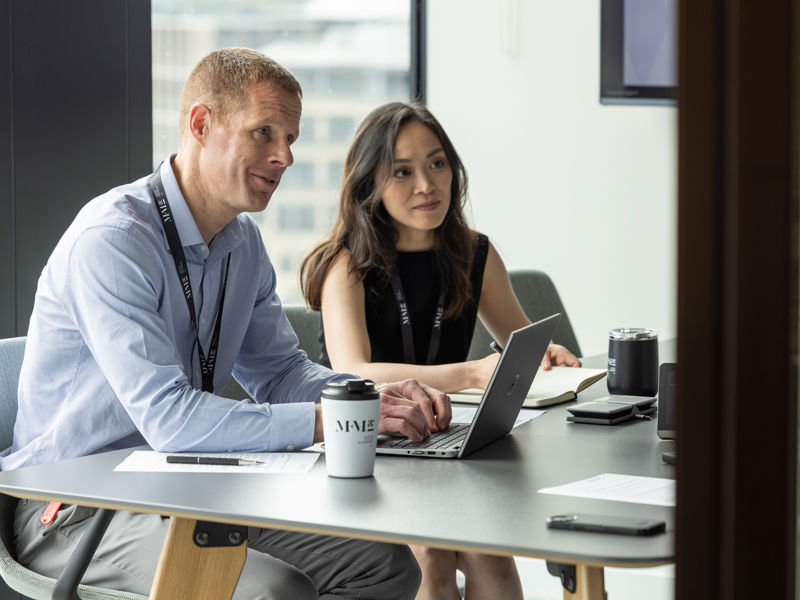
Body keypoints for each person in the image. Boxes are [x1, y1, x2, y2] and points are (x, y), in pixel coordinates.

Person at [0, 49, 452, 600]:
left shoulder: (242, 244)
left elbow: (282, 371)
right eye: (264, 132)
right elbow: (171, 420)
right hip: (75, 508)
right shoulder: (114, 241)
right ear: (200, 124)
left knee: (385, 567)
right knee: (275, 591)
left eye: (291, 138)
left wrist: (366, 399)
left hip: (186, 487)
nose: (284, 156)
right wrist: (334, 422)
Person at [301, 101, 581, 599]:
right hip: (370, 450)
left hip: (452, 443)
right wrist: (474, 373)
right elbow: (355, 370)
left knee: (487, 552)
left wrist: (548, 353)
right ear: (370, 183)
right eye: (402, 172)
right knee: (431, 555)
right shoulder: (346, 263)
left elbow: (521, 341)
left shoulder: (474, 253)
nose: (427, 185)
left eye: (436, 163)